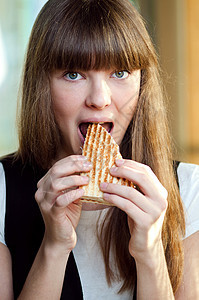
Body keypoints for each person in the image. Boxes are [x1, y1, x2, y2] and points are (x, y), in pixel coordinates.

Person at [0, 0, 199, 299]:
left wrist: (150, 252)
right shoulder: (3, 190)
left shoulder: (189, 189)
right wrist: (54, 246)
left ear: (142, 81)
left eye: (119, 72)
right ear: (42, 84)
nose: (99, 99)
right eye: (73, 74)